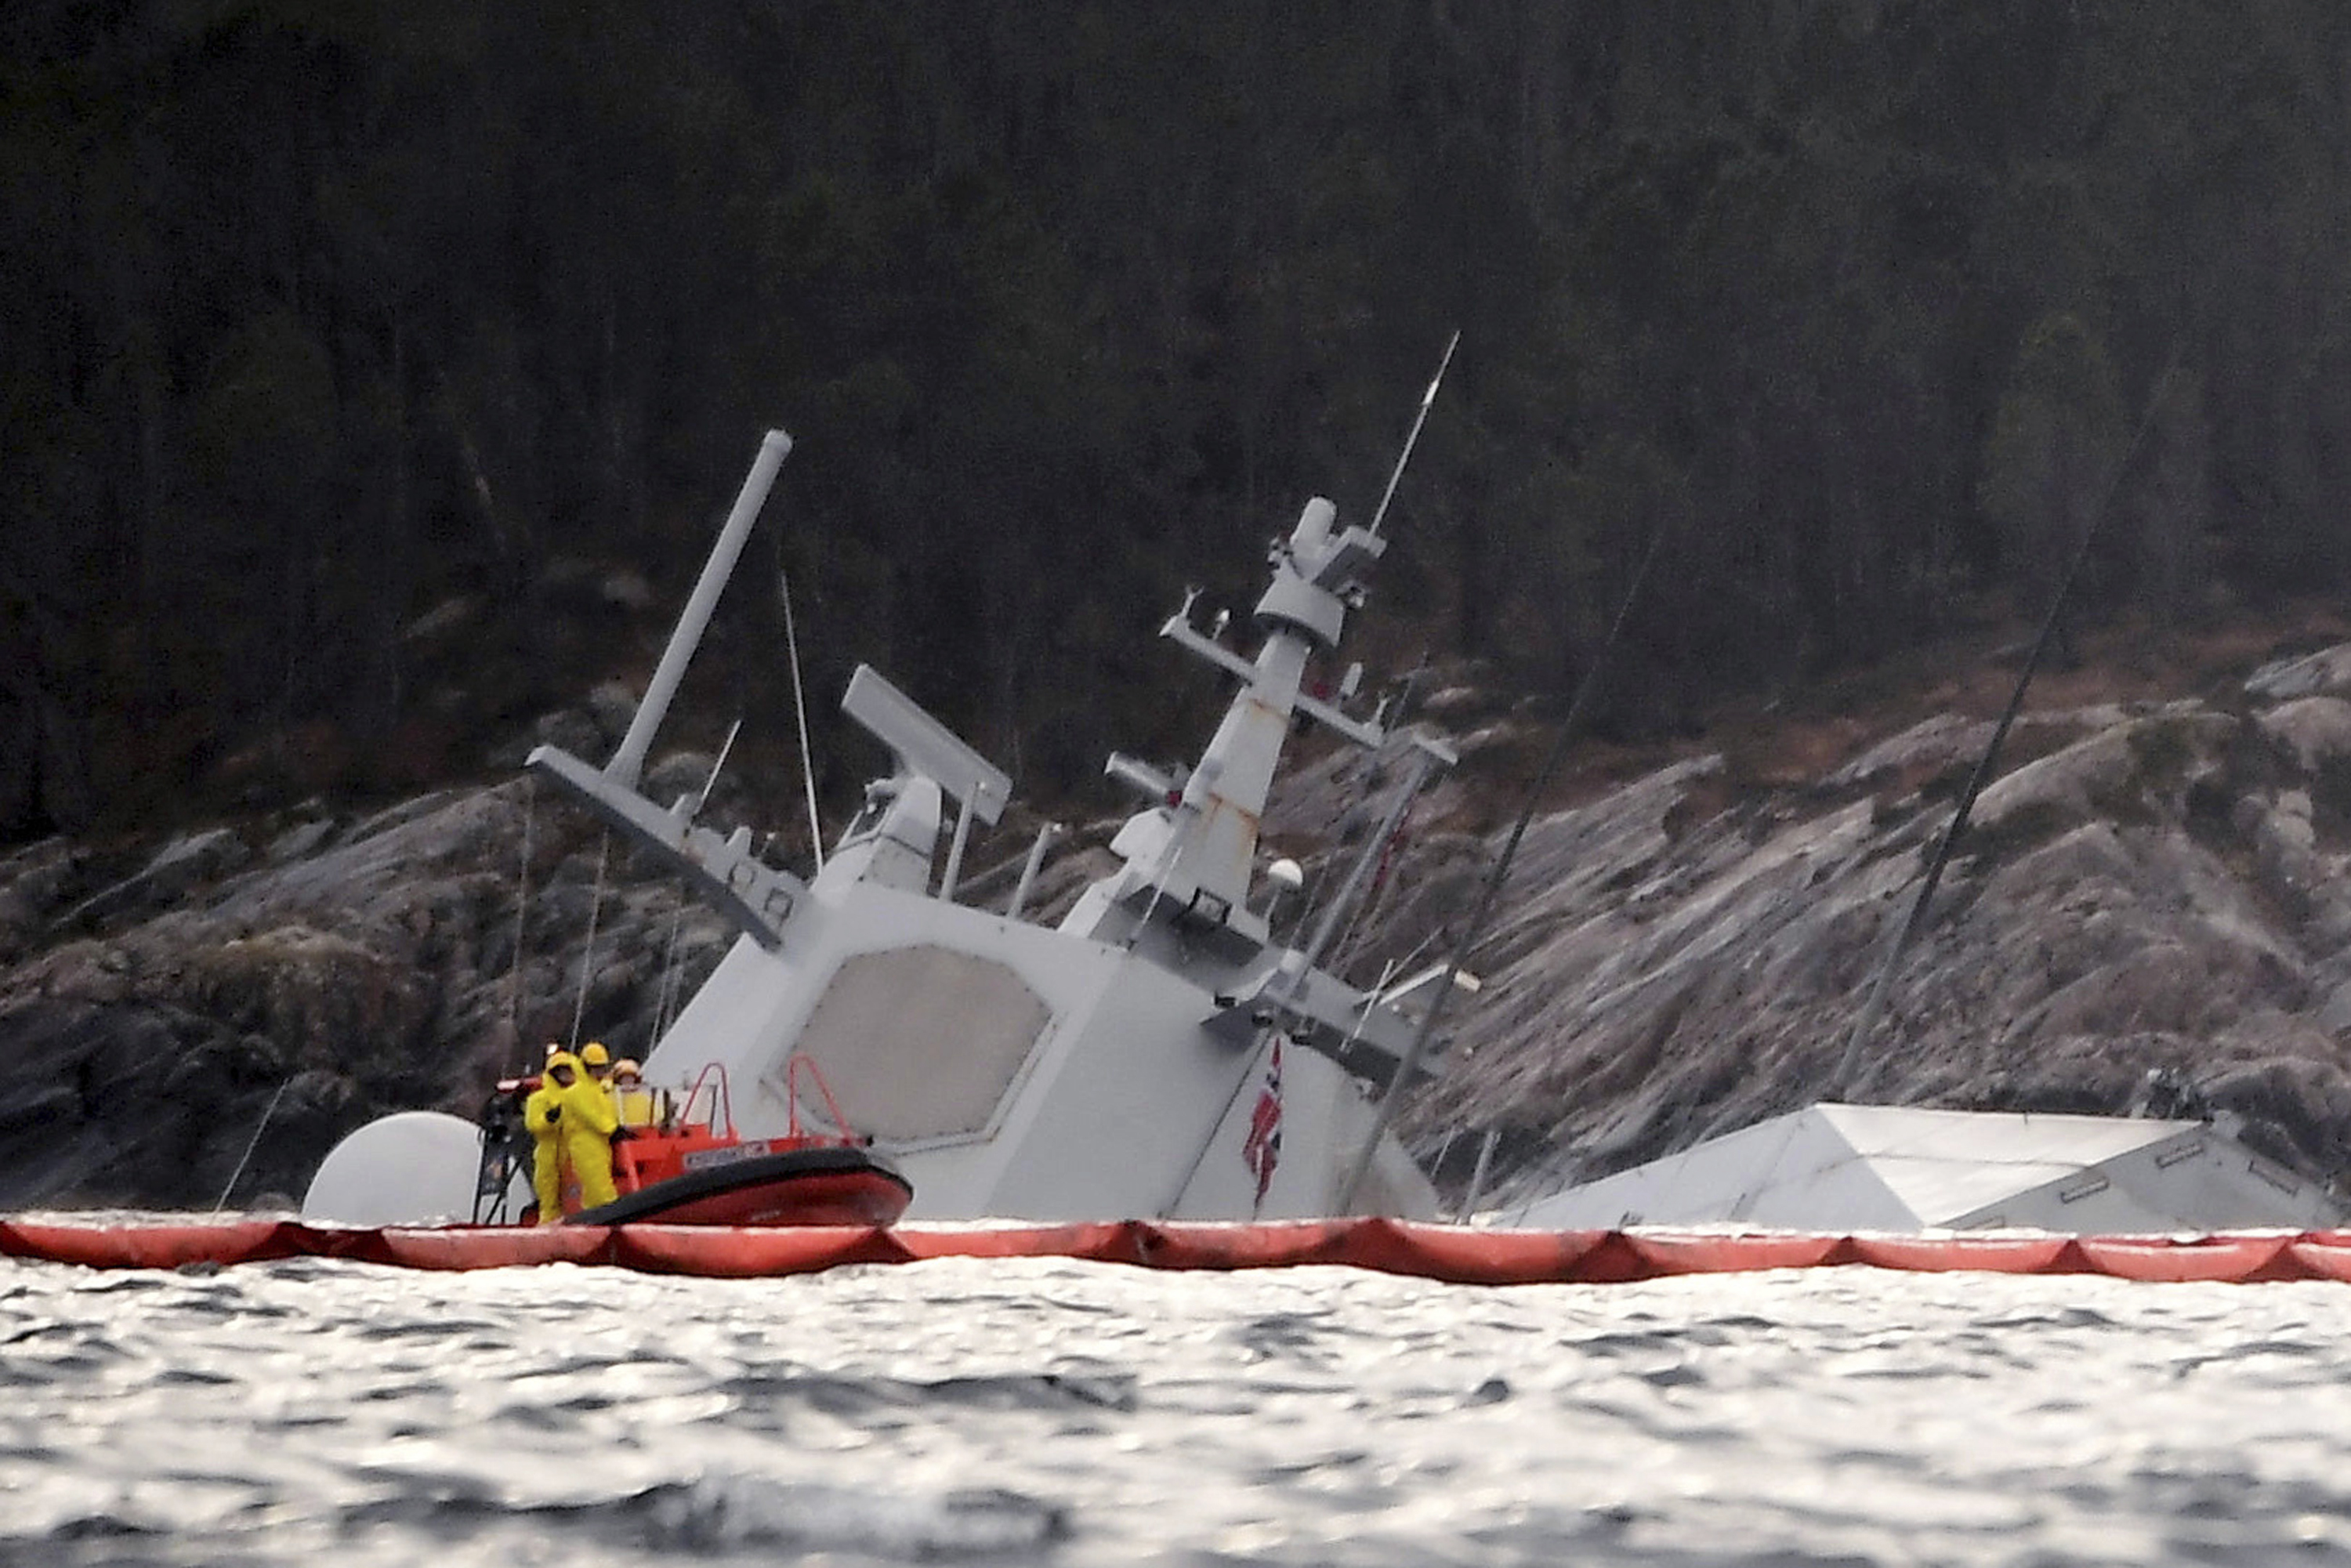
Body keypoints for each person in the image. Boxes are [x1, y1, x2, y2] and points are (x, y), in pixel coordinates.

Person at [560, 1046, 621, 1211]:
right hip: (585, 1144)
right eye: (595, 1068)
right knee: (598, 1188)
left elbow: (608, 1113)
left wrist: (618, 1127)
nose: (599, 1072)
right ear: (585, 1067)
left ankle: (599, 1216)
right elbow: (592, 1116)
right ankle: (608, 1215)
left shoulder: (598, 1090)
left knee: (599, 1185)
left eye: (602, 1068)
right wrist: (613, 1129)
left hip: (600, 1143)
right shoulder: (575, 1092)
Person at [523, 1052, 580, 1224]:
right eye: (560, 1071)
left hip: (577, 1152)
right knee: (549, 1196)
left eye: (568, 1070)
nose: (565, 1075)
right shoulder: (538, 1099)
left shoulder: (583, 1097)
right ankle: (548, 1226)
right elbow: (533, 1124)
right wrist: (549, 1119)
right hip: (549, 1153)